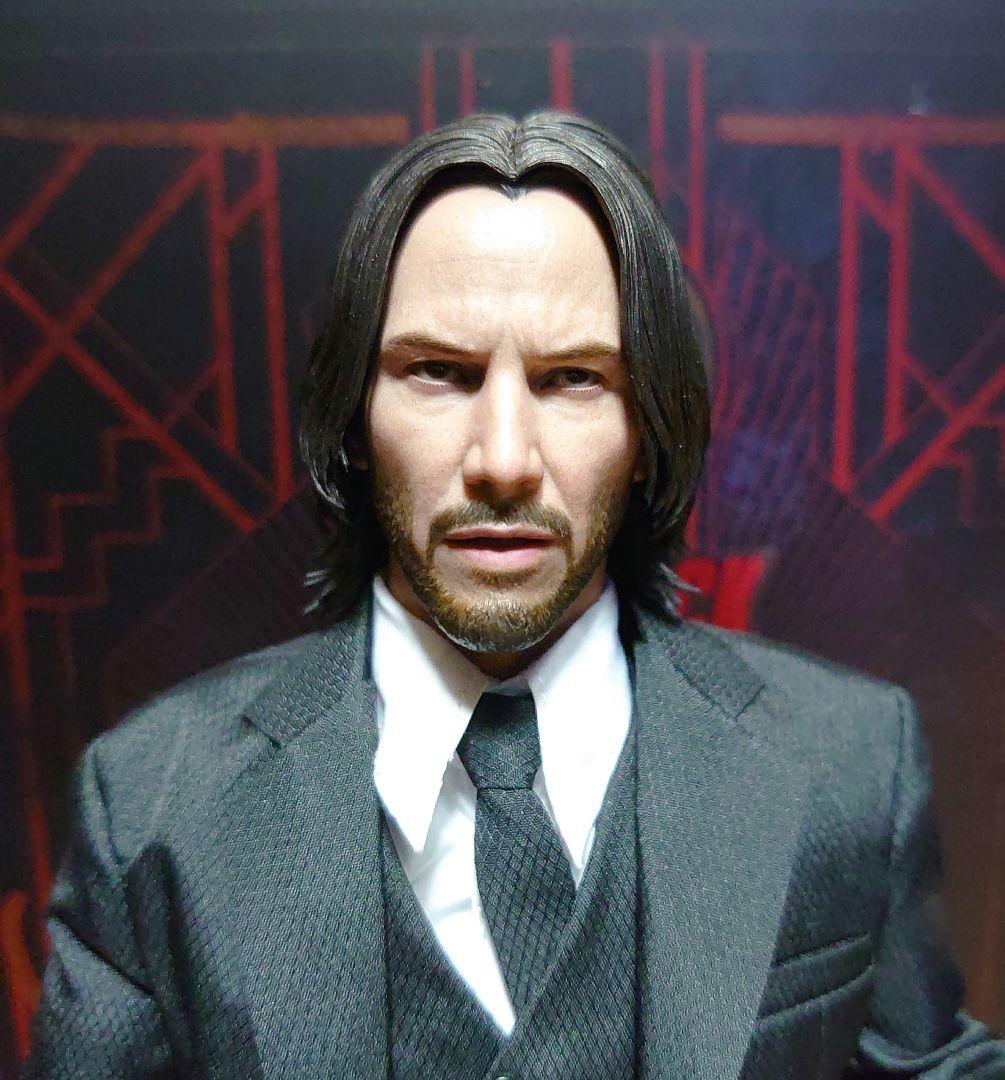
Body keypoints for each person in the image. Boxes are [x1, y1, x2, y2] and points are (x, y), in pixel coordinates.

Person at [24, 111, 1005, 1079]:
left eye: (572, 378)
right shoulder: (154, 805)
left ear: (648, 429)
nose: (502, 460)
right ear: (355, 418)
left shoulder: (845, 763)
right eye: (437, 373)